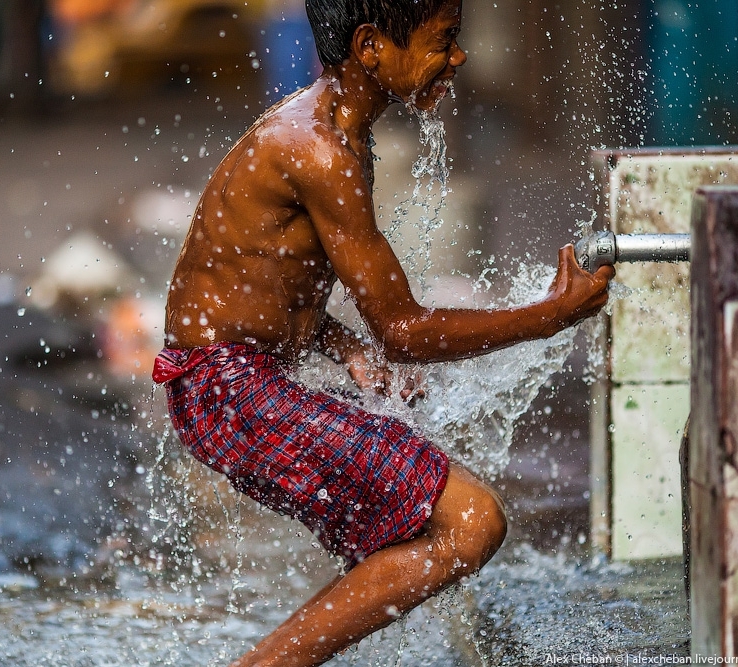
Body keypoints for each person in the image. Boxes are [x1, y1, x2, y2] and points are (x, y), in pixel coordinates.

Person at [151, 0, 615, 664]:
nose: (456, 58)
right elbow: (404, 329)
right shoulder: (320, 148)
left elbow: (270, 281)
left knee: (423, 519)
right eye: (442, 40)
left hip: (226, 381)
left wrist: (342, 348)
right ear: (371, 46)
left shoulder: (337, 133)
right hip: (226, 387)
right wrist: (551, 314)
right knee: (471, 519)